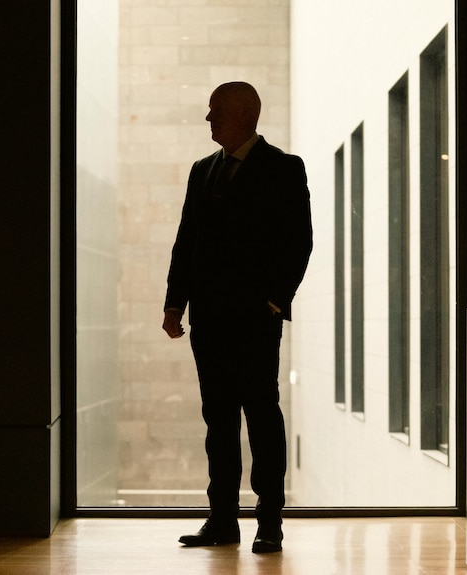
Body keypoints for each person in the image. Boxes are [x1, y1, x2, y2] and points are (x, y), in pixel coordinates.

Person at [163, 81, 312, 553]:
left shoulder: (284, 169)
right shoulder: (201, 171)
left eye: (216, 110)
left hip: (253, 320)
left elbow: (298, 241)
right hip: (209, 321)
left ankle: (270, 523)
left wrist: (273, 302)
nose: (208, 118)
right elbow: (186, 241)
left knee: (262, 417)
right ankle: (222, 520)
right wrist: (174, 302)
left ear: (246, 112)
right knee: (219, 422)